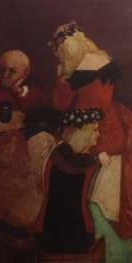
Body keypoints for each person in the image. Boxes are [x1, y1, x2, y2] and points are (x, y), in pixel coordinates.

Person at [50, 21, 132, 239]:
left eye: (59, 49)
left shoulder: (72, 71)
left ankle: (88, 226)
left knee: (62, 155)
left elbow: (60, 104)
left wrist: (61, 79)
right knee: (128, 136)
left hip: (91, 128)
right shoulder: (104, 58)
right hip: (112, 122)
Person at [36, 108, 108, 254]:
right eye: (95, 130)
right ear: (82, 133)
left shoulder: (72, 155)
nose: (99, 134)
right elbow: (73, 167)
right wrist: (97, 159)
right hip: (63, 234)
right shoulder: (62, 154)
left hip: (68, 231)